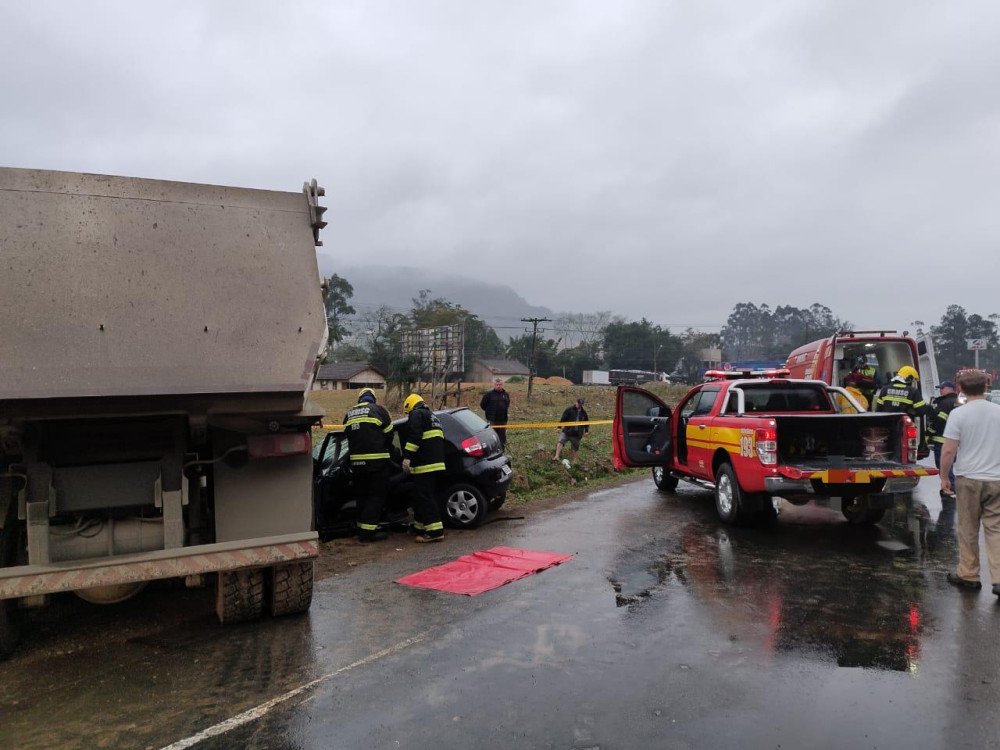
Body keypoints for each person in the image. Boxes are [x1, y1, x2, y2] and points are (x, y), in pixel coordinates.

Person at [939, 370, 1000, 596]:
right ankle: (999, 578)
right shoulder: (998, 412)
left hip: (969, 479)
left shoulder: (958, 415)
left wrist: (944, 477)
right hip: (997, 479)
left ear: (960, 389)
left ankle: (969, 575)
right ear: (986, 386)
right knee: (996, 529)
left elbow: (948, 450)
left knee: (968, 528)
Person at [342, 387, 394, 542]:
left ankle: (362, 528)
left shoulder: (349, 414)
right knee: (375, 496)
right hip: (377, 463)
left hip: (357, 465)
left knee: (362, 497)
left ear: (360, 399)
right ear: (373, 399)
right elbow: (389, 434)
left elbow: (348, 436)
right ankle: (368, 533)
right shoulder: (379, 410)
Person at [401, 393, 446, 543]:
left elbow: (415, 436)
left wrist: (407, 456)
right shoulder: (432, 416)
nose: (408, 416)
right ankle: (420, 527)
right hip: (436, 463)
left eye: (407, 413)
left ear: (410, 406)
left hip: (425, 464)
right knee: (422, 496)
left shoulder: (416, 414)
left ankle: (435, 531)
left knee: (425, 497)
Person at [873, 365, 928, 452]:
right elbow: (921, 411)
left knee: (887, 450)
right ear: (909, 378)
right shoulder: (913, 391)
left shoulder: (885, 389)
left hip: (886, 426)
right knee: (904, 452)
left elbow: (878, 410)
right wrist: (911, 411)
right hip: (904, 428)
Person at [926, 380, 959, 498]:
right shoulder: (957, 402)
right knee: (949, 465)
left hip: (941, 440)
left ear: (950, 389)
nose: (940, 390)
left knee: (944, 465)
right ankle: (948, 487)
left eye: (942, 388)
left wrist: (929, 433)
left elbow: (939, 421)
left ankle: (950, 488)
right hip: (954, 440)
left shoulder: (944, 403)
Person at [554, 398, 589, 462]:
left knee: (575, 448)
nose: (579, 405)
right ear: (576, 402)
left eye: (581, 404)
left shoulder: (583, 412)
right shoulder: (569, 409)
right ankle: (556, 456)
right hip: (567, 431)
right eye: (578, 404)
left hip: (576, 434)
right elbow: (563, 418)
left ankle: (575, 461)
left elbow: (586, 422)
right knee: (560, 442)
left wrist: (586, 431)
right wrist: (559, 427)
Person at [480, 377, 511, 449]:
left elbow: (507, 404)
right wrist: (489, 412)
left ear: (503, 384)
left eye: (500, 384)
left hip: (503, 420)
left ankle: (502, 449)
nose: (498, 386)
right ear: (494, 385)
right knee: (492, 436)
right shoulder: (489, 394)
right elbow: (482, 405)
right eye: (497, 384)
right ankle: (492, 449)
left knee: (502, 436)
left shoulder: (505, 394)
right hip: (492, 419)